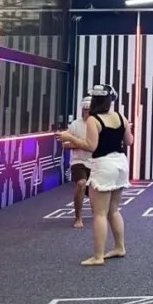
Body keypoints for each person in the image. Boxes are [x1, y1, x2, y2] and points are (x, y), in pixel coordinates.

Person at [57, 84, 132, 265]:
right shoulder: (121, 116)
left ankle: (98, 256)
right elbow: (129, 141)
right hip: (121, 163)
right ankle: (119, 247)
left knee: (99, 213)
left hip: (104, 165)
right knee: (113, 210)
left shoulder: (93, 120)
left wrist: (70, 138)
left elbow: (91, 146)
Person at [63, 96, 93, 229]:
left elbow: (97, 146)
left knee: (95, 192)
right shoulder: (75, 124)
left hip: (95, 162)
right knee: (81, 183)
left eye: (89, 109)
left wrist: (84, 144)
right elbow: (65, 143)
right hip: (78, 161)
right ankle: (78, 217)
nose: (86, 112)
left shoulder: (98, 125)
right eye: (84, 109)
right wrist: (82, 144)